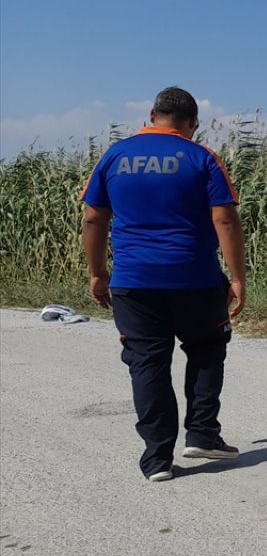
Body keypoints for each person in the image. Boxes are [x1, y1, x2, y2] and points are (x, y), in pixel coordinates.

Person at [81, 87, 248, 482]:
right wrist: (238, 277)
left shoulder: (114, 157)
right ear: (192, 123)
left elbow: (93, 219)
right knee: (206, 350)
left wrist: (97, 272)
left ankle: (157, 459)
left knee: (147, 363)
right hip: (196, 279)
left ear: (152, 114)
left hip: (134, 282)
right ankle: (203, 434)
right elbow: (224, 219)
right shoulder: (201, 157)